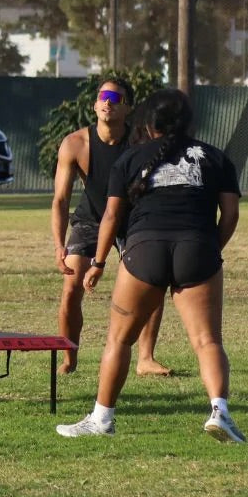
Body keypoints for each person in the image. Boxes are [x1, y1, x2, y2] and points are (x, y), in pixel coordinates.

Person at [55, 87, 245, 442]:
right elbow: (231, 213)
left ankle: (101, 418)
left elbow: (112, 214)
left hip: (144, 248)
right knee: (207, 341)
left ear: (148, 123)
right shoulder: (216, 157)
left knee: (119, 339)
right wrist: (210, 249)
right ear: (189, 122)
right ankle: (220, 411)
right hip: (197, 248)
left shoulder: (129, 158)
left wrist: (98, 261)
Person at [51, 76, 170, 376]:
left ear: (128, 108)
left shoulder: (141, 143)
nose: (108, 102)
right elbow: (61, 201)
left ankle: (146, 358)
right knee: (70, 290)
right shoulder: (75, 144)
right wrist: (58, 245)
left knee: (151, 283)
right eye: (103, 96)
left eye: (116, 98)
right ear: (94, 105)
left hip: (134, 220)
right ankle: (70, 356)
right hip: (91, 219)